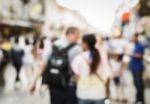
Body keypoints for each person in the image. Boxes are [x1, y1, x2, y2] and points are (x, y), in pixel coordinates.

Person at [31, 27, 82, 104]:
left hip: (54, 85)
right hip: (70, 86)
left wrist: (34, 83)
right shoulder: (78, 49)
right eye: (78, 35)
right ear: (71, 34)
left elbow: (42, 66)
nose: (79, 37)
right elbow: (80, 71)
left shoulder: (52, 46)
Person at [71, 34, 112, 104]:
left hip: (83, 93)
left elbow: (77, 77)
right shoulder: (102, 57)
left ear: (85, 44)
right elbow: (108, 75)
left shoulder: (78, 58)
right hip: (100, 93)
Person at [129, 33, 145, 104]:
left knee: (139, 84)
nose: (132, 39)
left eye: (133, 37)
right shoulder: (134, 45)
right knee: (136, 83)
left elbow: (140, 56)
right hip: (133, 67)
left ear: (136, 37)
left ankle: (141, 100)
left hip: (138, 67)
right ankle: (138, 98)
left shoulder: (140, 46)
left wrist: (131, 54)